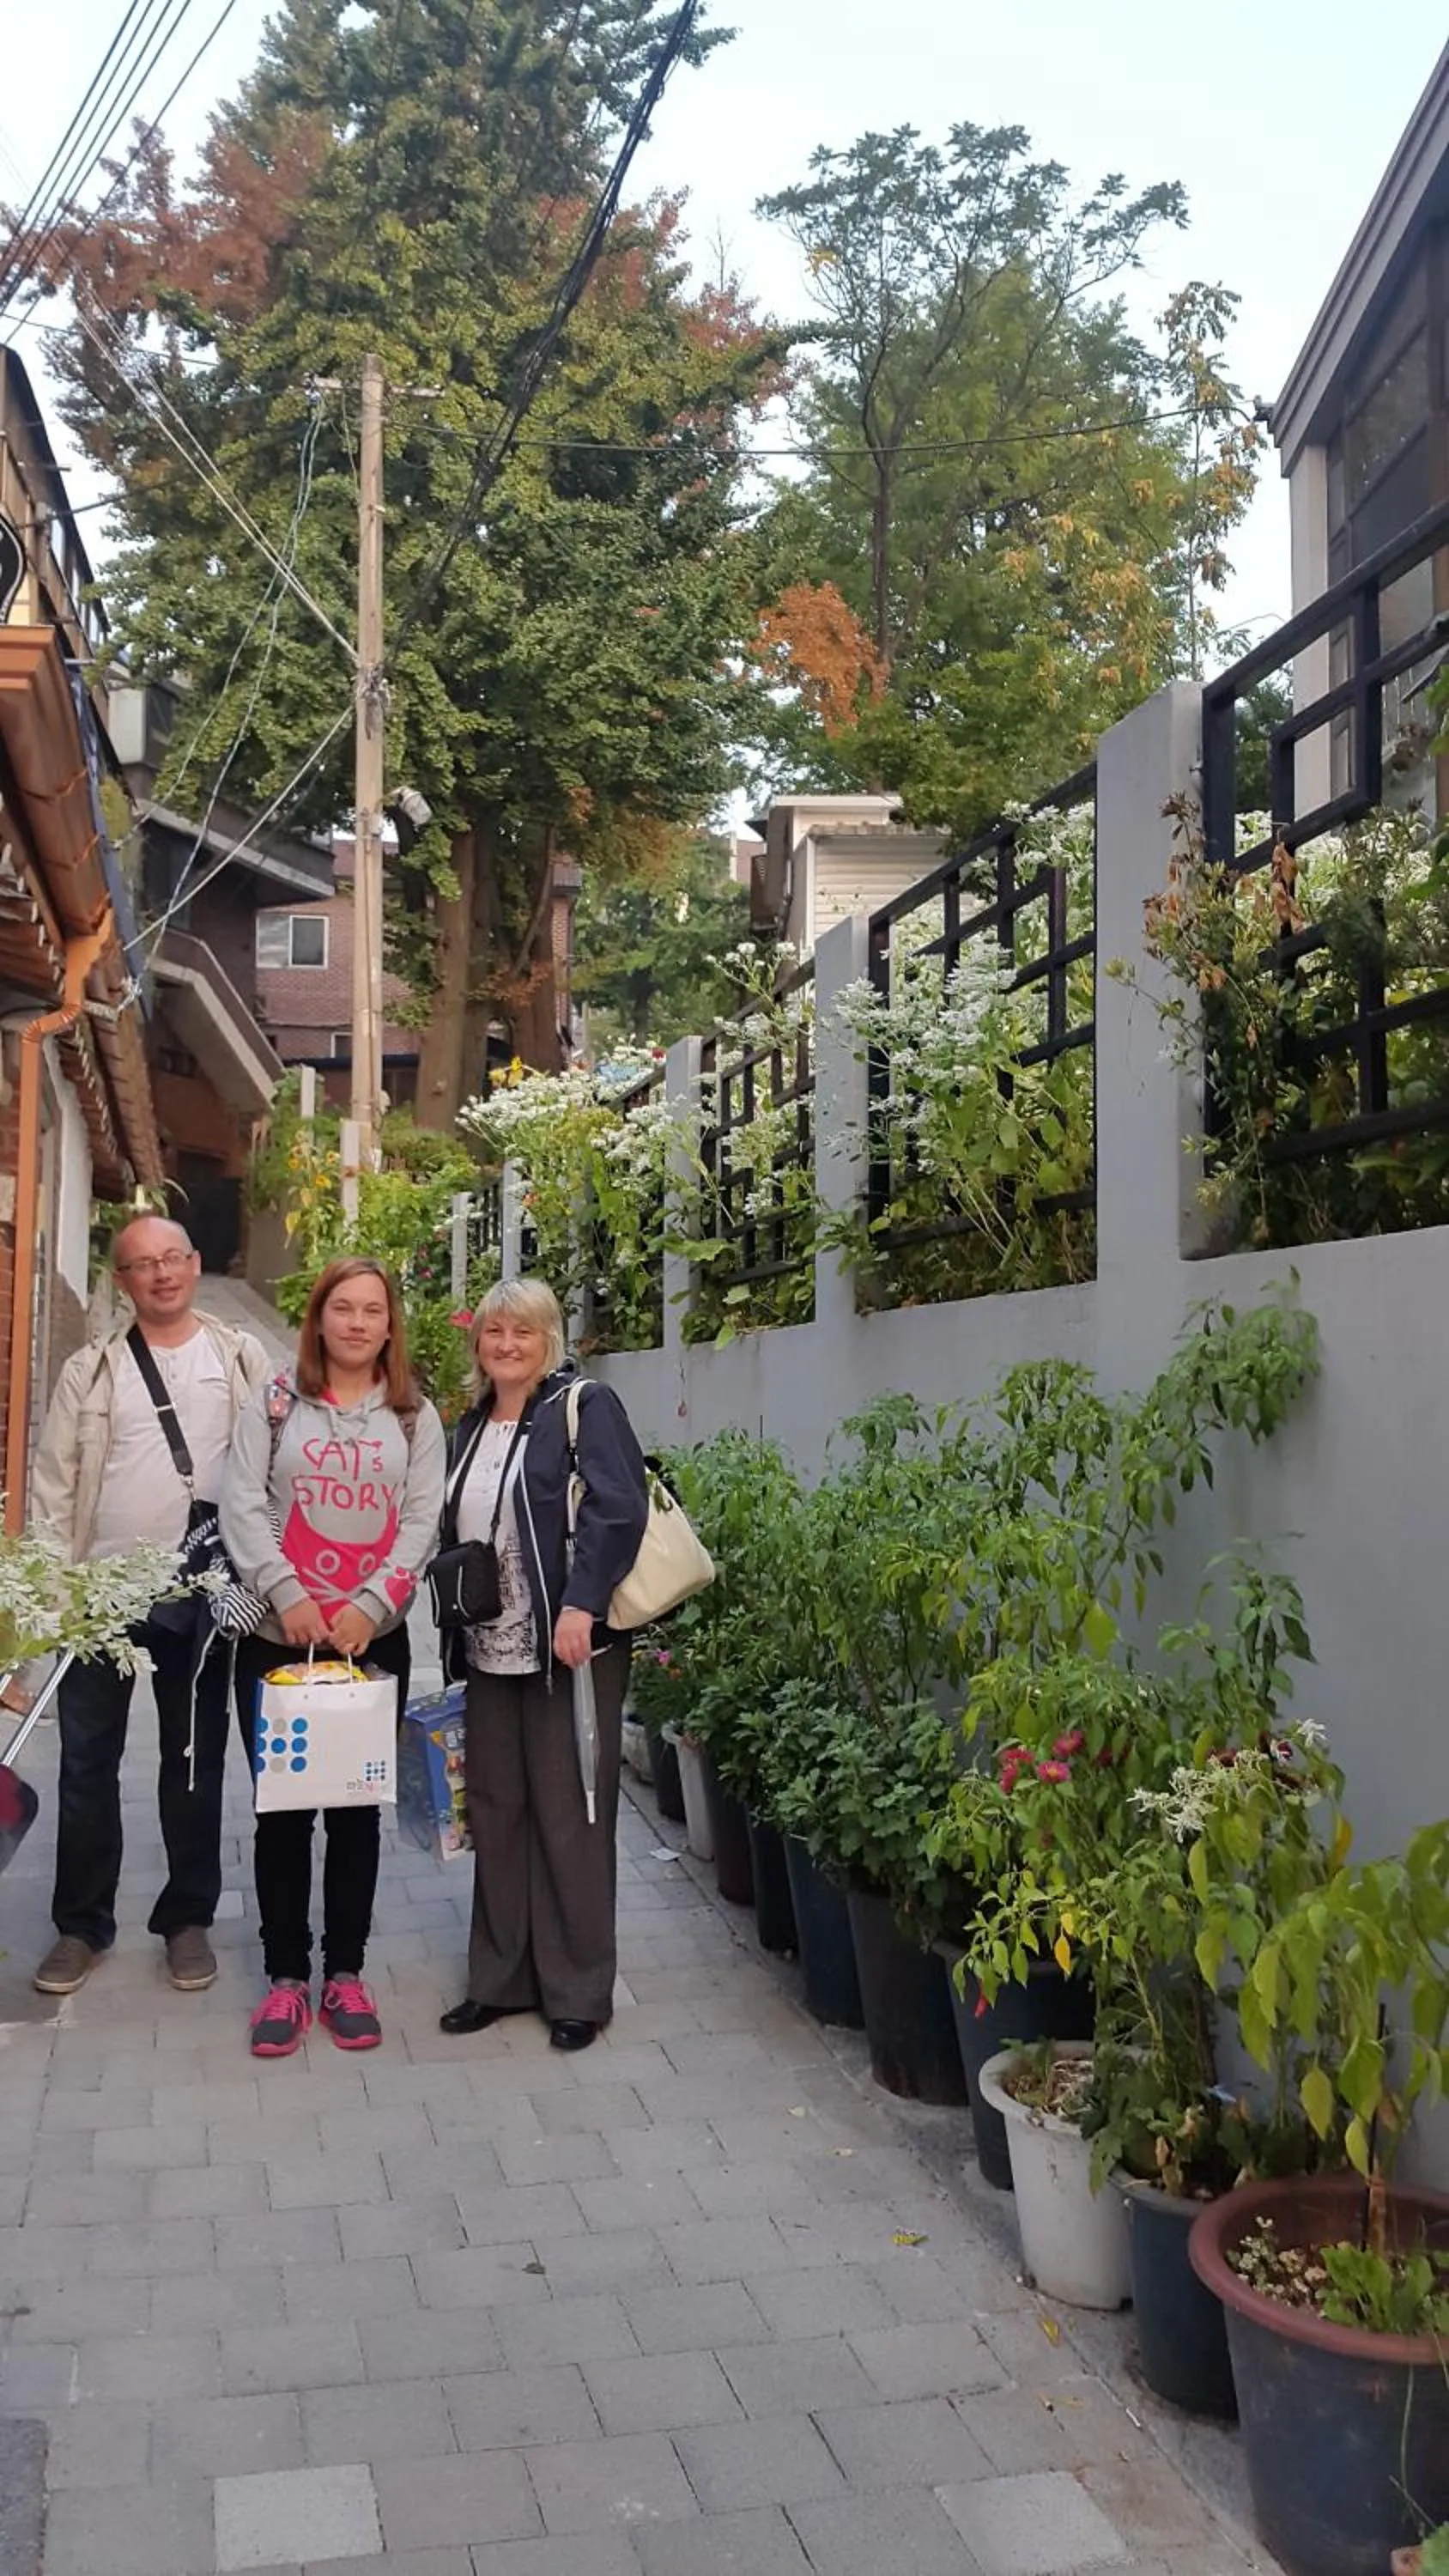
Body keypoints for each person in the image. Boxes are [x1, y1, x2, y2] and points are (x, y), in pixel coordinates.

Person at [29, 1216, 270, 1996]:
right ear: (122, 1280)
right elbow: (54, 1487)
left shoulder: (239, 1357)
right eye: (142, 1264)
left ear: (196, 1265)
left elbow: (274, 1467)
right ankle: (80, 1925)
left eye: (172, 1259)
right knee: (86, 1763)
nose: (161, 1274)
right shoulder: (91, 1369)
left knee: (193, 1758)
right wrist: (55, 1601)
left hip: (205, 1597)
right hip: (102, 1596)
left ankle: (188, 1917)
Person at [221, 1258, 445, 2058]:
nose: (355, 1323)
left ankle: (345, 1973)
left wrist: (370, 1606)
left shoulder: (416, 1414)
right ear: (318, 1319)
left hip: (369, 1643)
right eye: (341, 1308)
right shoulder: (276, 1402)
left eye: (371, 1311)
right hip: (278, 1642)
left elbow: (421, 1520)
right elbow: (242, 1500)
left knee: (354, 1817)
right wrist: (286, 1593)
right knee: (281, 1814)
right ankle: (285, 1980)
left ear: (391, 1325)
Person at [435, 1277, 649, 2053]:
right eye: (494, 1333)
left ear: (548, 1339)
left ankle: (578, 1992)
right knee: (496, 1810)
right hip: (491, 1646)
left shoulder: (583, 1407)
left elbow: (618, 1508)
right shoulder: (470, 1423)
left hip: (568, 1643)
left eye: (522, 1333)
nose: (506, 1346)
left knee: (572, 1815)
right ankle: (498, 1981)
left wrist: (581, 1603)